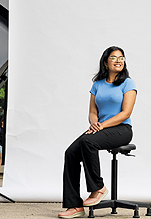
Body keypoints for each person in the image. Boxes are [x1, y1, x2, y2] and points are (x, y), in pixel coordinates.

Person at [58, 46, 137, 219]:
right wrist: (95, 124)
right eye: (114, 57)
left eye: (121, 58)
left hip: (122, 129)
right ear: (105, 62)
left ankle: (98, 188)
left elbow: (126, 113)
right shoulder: (97, 84)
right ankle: (74, 206)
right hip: (100, 128)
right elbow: (92, 112)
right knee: (71, 152)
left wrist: (102, 125)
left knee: (88, 142)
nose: (118, 61)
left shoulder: (128, 83)